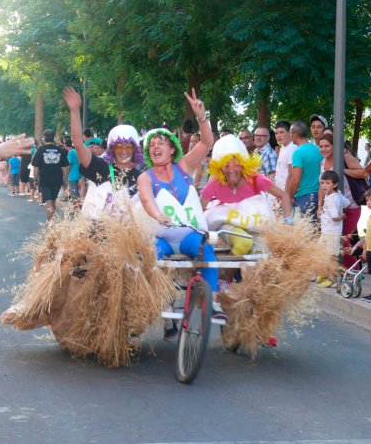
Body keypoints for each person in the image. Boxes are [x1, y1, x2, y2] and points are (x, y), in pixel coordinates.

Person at [136, 89, 224, 320]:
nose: (155, 147)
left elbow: (207, 142)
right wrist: (157, 216)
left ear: (172, 148)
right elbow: (146, 199)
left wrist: (201, 117)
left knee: (209, 253)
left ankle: (211, 301)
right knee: (148, 260)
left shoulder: (184, 166)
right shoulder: (145, 177)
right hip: (161, 238)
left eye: (161, 143)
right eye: (151, 144)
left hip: (190, 236)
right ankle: (155, 302)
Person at [200, 134, 293, 256]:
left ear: (243, 164)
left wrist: (288, 221)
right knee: (244, 243)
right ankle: (226, 274)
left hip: (254, 225)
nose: (231, 170)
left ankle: (238, 275)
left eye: (236, 164)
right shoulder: (216, 183)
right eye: (226, 165)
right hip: (228, 223)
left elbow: (283, 195)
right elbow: (200, 209)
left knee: (263, 254)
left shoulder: (254, 179)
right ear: (219, 167)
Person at [63, 87, 144, 216]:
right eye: (119, 147)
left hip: (126, 234)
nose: (124, 151)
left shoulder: (141, 177)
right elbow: (78, 144)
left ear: (135, 150)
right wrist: (74, 111)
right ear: (112, 149)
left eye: (128, 146)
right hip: (96, 233)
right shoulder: (101, 168)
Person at [317, 132, 366, 268]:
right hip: (333, 208)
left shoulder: (344, 157)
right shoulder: (323, 162)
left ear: (334, 146)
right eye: (321, 146)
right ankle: (337, 271)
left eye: (327, 146)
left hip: (350, 206)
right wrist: (320, 206)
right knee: (332, 241)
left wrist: (342, 170)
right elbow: (321, 186)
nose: (323, 149)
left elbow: (362, 172)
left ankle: (354, 271)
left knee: (343, 240)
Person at [317, 170, 350, 288]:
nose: (324, 186)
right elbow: (347, 203)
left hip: (331, 233)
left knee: (332, 256)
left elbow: (335, 217)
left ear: (335, 184)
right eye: (322, 183)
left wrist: (342, 216)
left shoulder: (331, 199)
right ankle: (324, 274)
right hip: (327, 232)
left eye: (327, 183)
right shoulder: (337, 195)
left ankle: (332, 279)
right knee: (322, 253)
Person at [31, 129, 70, 221]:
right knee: (53, 201)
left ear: (44, 138)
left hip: (45, 178)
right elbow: (67, 166)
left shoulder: (41, 150)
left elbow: (35, 167)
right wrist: (65, 177)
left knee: (48, 201)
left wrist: (35, 179)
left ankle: (49, 223)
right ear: (54, 139)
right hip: (57, 178)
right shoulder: (59, 149)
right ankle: (53, 222)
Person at [289, 121, 323, 220]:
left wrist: (289, 196)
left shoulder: (298, 153)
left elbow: (295, 180)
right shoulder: (318, 150)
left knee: (301, 232)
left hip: (303, 197)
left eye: (291, 133)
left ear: (294, 134)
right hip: (318, 195)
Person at [274, 119, 297, 195]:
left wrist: (286, 194)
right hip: (280, 190)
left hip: (287, 192)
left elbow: (291, 174)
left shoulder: (292, 147)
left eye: (281, 132)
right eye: (276, 133)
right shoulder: (282, 148)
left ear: (289, 133)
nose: (278, 136)